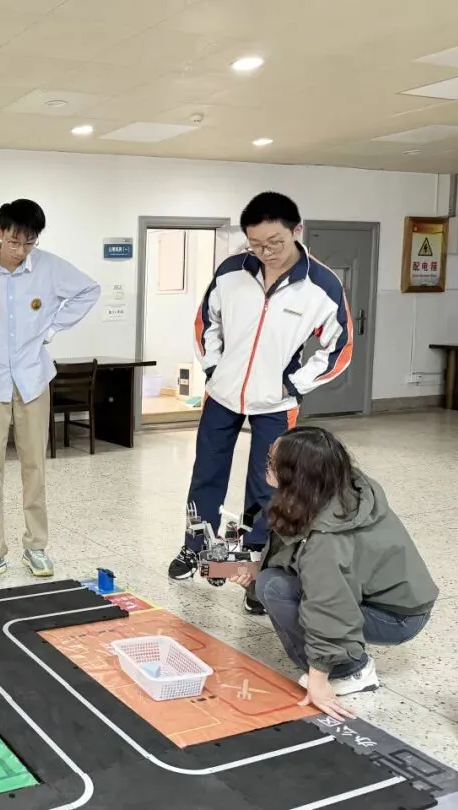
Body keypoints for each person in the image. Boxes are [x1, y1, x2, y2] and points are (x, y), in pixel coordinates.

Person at [170, 191, 354, 617]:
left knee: (267, 485)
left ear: (297, 231)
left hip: (275, 402)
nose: (266, 252)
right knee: (206, 473)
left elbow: (340, 346)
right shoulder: (232, 270)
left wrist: (295, 383)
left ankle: (256, 570)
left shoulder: (321, 285)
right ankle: (196, 546)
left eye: (275, 242)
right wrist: (214, 369)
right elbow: (206, 322)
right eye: (256, 244)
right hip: (223, 395)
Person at [229, 426, 438, 721]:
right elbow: (302, 563)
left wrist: (318, 679)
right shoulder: (327, 490)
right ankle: (342, 662)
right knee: (266, 582)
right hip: (382, 597)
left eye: (273, 461)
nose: (266, 464)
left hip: (398, 616)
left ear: (296, 473)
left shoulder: (327, 535)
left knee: (274, 588)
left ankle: (351, 671)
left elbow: (330, 606)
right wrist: (252, 578)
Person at [0, 199, 100, 584]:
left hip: (34, 381)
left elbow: (89, 290)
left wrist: (50, 329)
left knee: (34, 465)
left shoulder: (49, 267)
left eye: (29, 243)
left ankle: (36, 545)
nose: (21, 251)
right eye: (14, 241)